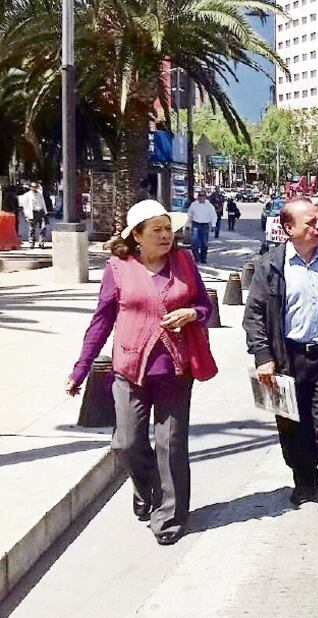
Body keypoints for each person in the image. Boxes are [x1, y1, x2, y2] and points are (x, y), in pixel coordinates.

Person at [66, 200, 215, 545]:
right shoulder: (118, 267)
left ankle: (169, 518)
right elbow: (102, 320)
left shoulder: (184, 262)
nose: (166, 236)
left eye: (168, 228)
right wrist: (80, 369)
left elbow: (205, 305)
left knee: (171, 444)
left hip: (175, 369)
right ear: (137, 236)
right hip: (130, 369)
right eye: (157, 230)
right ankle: (147, 487)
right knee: (127, 442)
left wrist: (192, 313)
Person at [242, 198, 318, 532]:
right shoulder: (270, 266)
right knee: (293, 427)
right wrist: (263, 356)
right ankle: (305, 479)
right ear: (289, 229)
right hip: (287, 358)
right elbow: (254, 317)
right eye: (310, 222)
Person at [187, 190, 217, 264]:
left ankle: (203, 258)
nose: (201, 197)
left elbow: (214, 216)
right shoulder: (194, 205)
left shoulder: (209, 206)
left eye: (203, 196)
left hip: (205, 225)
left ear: (205, 197)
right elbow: (189, 214)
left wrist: (213, 225)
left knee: (204, 243)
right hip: (196, 225)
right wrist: (188, 224)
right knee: (194, 243)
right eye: (200, 196)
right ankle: (196, 257)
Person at [19, 181, 49, 248]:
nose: (35, 188)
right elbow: (25, 206)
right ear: (30, 187)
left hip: (40, 212)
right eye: (33, 187)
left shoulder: (40, 193)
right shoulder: (27, 195)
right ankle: (32, 243)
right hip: (32, 213)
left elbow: (43, 203)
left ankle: (41, 243)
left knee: (43, 227)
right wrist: (26, 215)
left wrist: (45, 212)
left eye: (36, 187)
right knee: (32, 229)